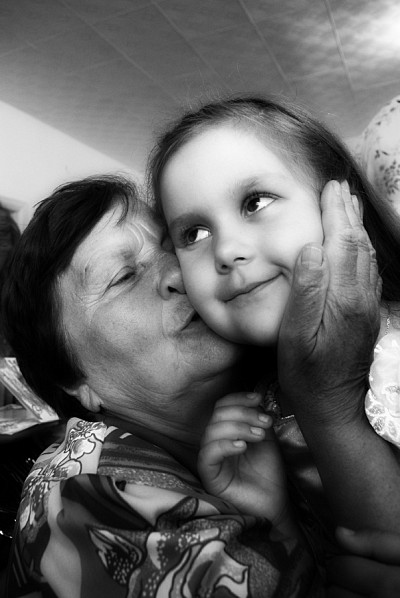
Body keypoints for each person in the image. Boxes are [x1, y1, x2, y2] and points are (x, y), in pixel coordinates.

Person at [1, 173, 400, 597]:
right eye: (124, 276)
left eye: (179, 243)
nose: (180, 273)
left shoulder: (289, 382)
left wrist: (279, 525)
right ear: (73, 378)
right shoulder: (86, 495)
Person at [148, 95, 400, 524]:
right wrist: (277, 519)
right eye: (194, 234)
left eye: (255, 203)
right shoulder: (253, 406)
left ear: (341, 205)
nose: (226, 251)